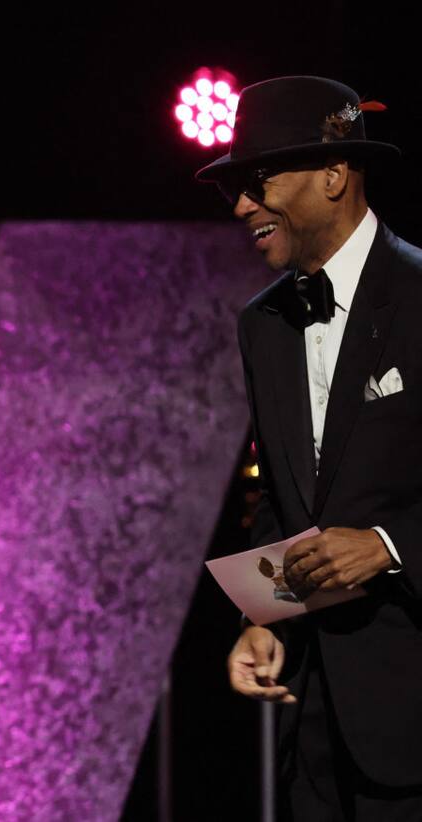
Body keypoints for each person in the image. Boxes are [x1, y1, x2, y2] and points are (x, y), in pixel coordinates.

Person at [199, 76, 422, 818]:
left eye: (259, 181)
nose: (240, 208)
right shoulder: (260, 324)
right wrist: (261, 618)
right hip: (312, 723)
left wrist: (390, 545)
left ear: (334, 174)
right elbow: (284, 504)